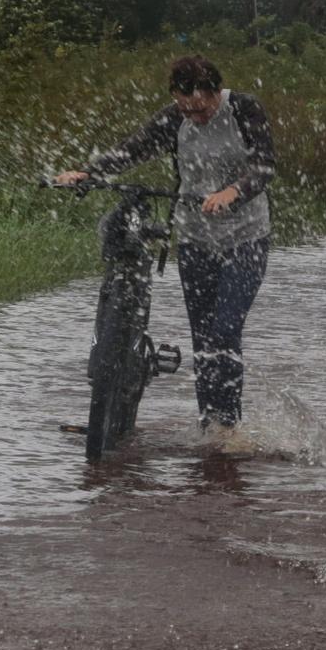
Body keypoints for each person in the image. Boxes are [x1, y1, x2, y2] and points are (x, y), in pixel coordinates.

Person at [54, 55, 273, 429]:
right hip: (194, 240)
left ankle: (229, 424)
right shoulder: (174, 118)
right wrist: (88, 173)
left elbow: (265, 165)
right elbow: (132, 150)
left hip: (246, 239)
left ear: (216, 93)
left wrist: (233, 192)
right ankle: (211, 425)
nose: (195, 117)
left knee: (224, 331)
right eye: (187, 109)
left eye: (202, 109)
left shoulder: (243, 108)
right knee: (202, 339)